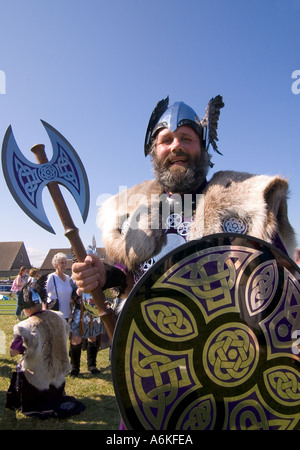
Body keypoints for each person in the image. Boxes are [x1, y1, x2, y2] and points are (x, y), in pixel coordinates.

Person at [72, 94, 297, 302]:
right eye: (166, 140)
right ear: (154, 151)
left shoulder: (249, 202)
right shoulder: (135, 210)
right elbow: (129, 279)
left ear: (203, 146)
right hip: (154, 339)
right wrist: (105, 275)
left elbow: (283, 285)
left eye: (186, 138)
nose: (176, 146)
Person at [6, 274, 85, 419]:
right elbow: (66, 332)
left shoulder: (24, 326)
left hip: (38, 382)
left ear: (27, 307)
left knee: (20, 367)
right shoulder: (59, 316)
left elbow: (14, 352)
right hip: (58, 376)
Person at [46, 252, 74, 320]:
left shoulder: (68, 278)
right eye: (62, 263)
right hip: (55, 315)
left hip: (67, 315)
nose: (64, 265)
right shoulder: (52, 277)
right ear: (56, 265)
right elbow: (43, 294)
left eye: (65, 263)